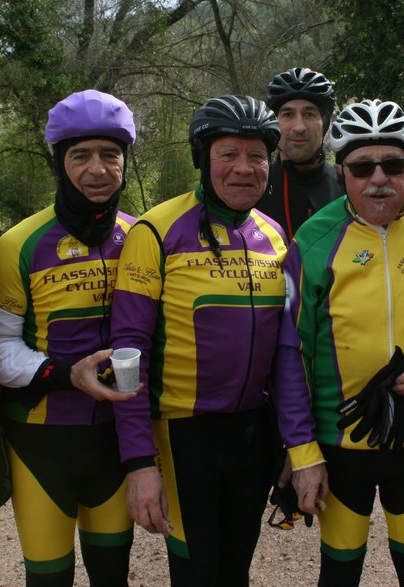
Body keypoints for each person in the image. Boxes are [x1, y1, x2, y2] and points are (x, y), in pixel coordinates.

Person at [110, 95, 325, 586]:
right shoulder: (156, 231)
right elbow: (127, 354)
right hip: (183, 437)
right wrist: (139, 463)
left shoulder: (276, 237)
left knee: (235, 572)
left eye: (257, 156)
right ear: (202, 159)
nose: (244, 168)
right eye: (228, 154)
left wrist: (296, 443)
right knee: (196, 573)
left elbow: (285, 356)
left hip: (253, 435)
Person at [281, 99, 404, 586]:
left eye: (392, 164)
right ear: (341, 172)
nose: (378, 179)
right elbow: (289, 354)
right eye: (361, 167)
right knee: (339, 572)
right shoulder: (314, 239)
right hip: (338, 443)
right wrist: (302, 451)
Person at [0, 89, 141, 587]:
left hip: (117, 437)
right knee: (49, 577)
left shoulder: (141, 237)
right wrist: (64, 374)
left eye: (110, 154)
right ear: (59, 163)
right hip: (42, 440)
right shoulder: (20, 243)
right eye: (80, 156)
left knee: (112, 574)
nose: (98, 169)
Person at [257, 67, 344, 240]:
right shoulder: (255, 188)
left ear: (324, 123)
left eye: (309, 114)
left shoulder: (346, 187)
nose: (299, 127)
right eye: (288, 114)